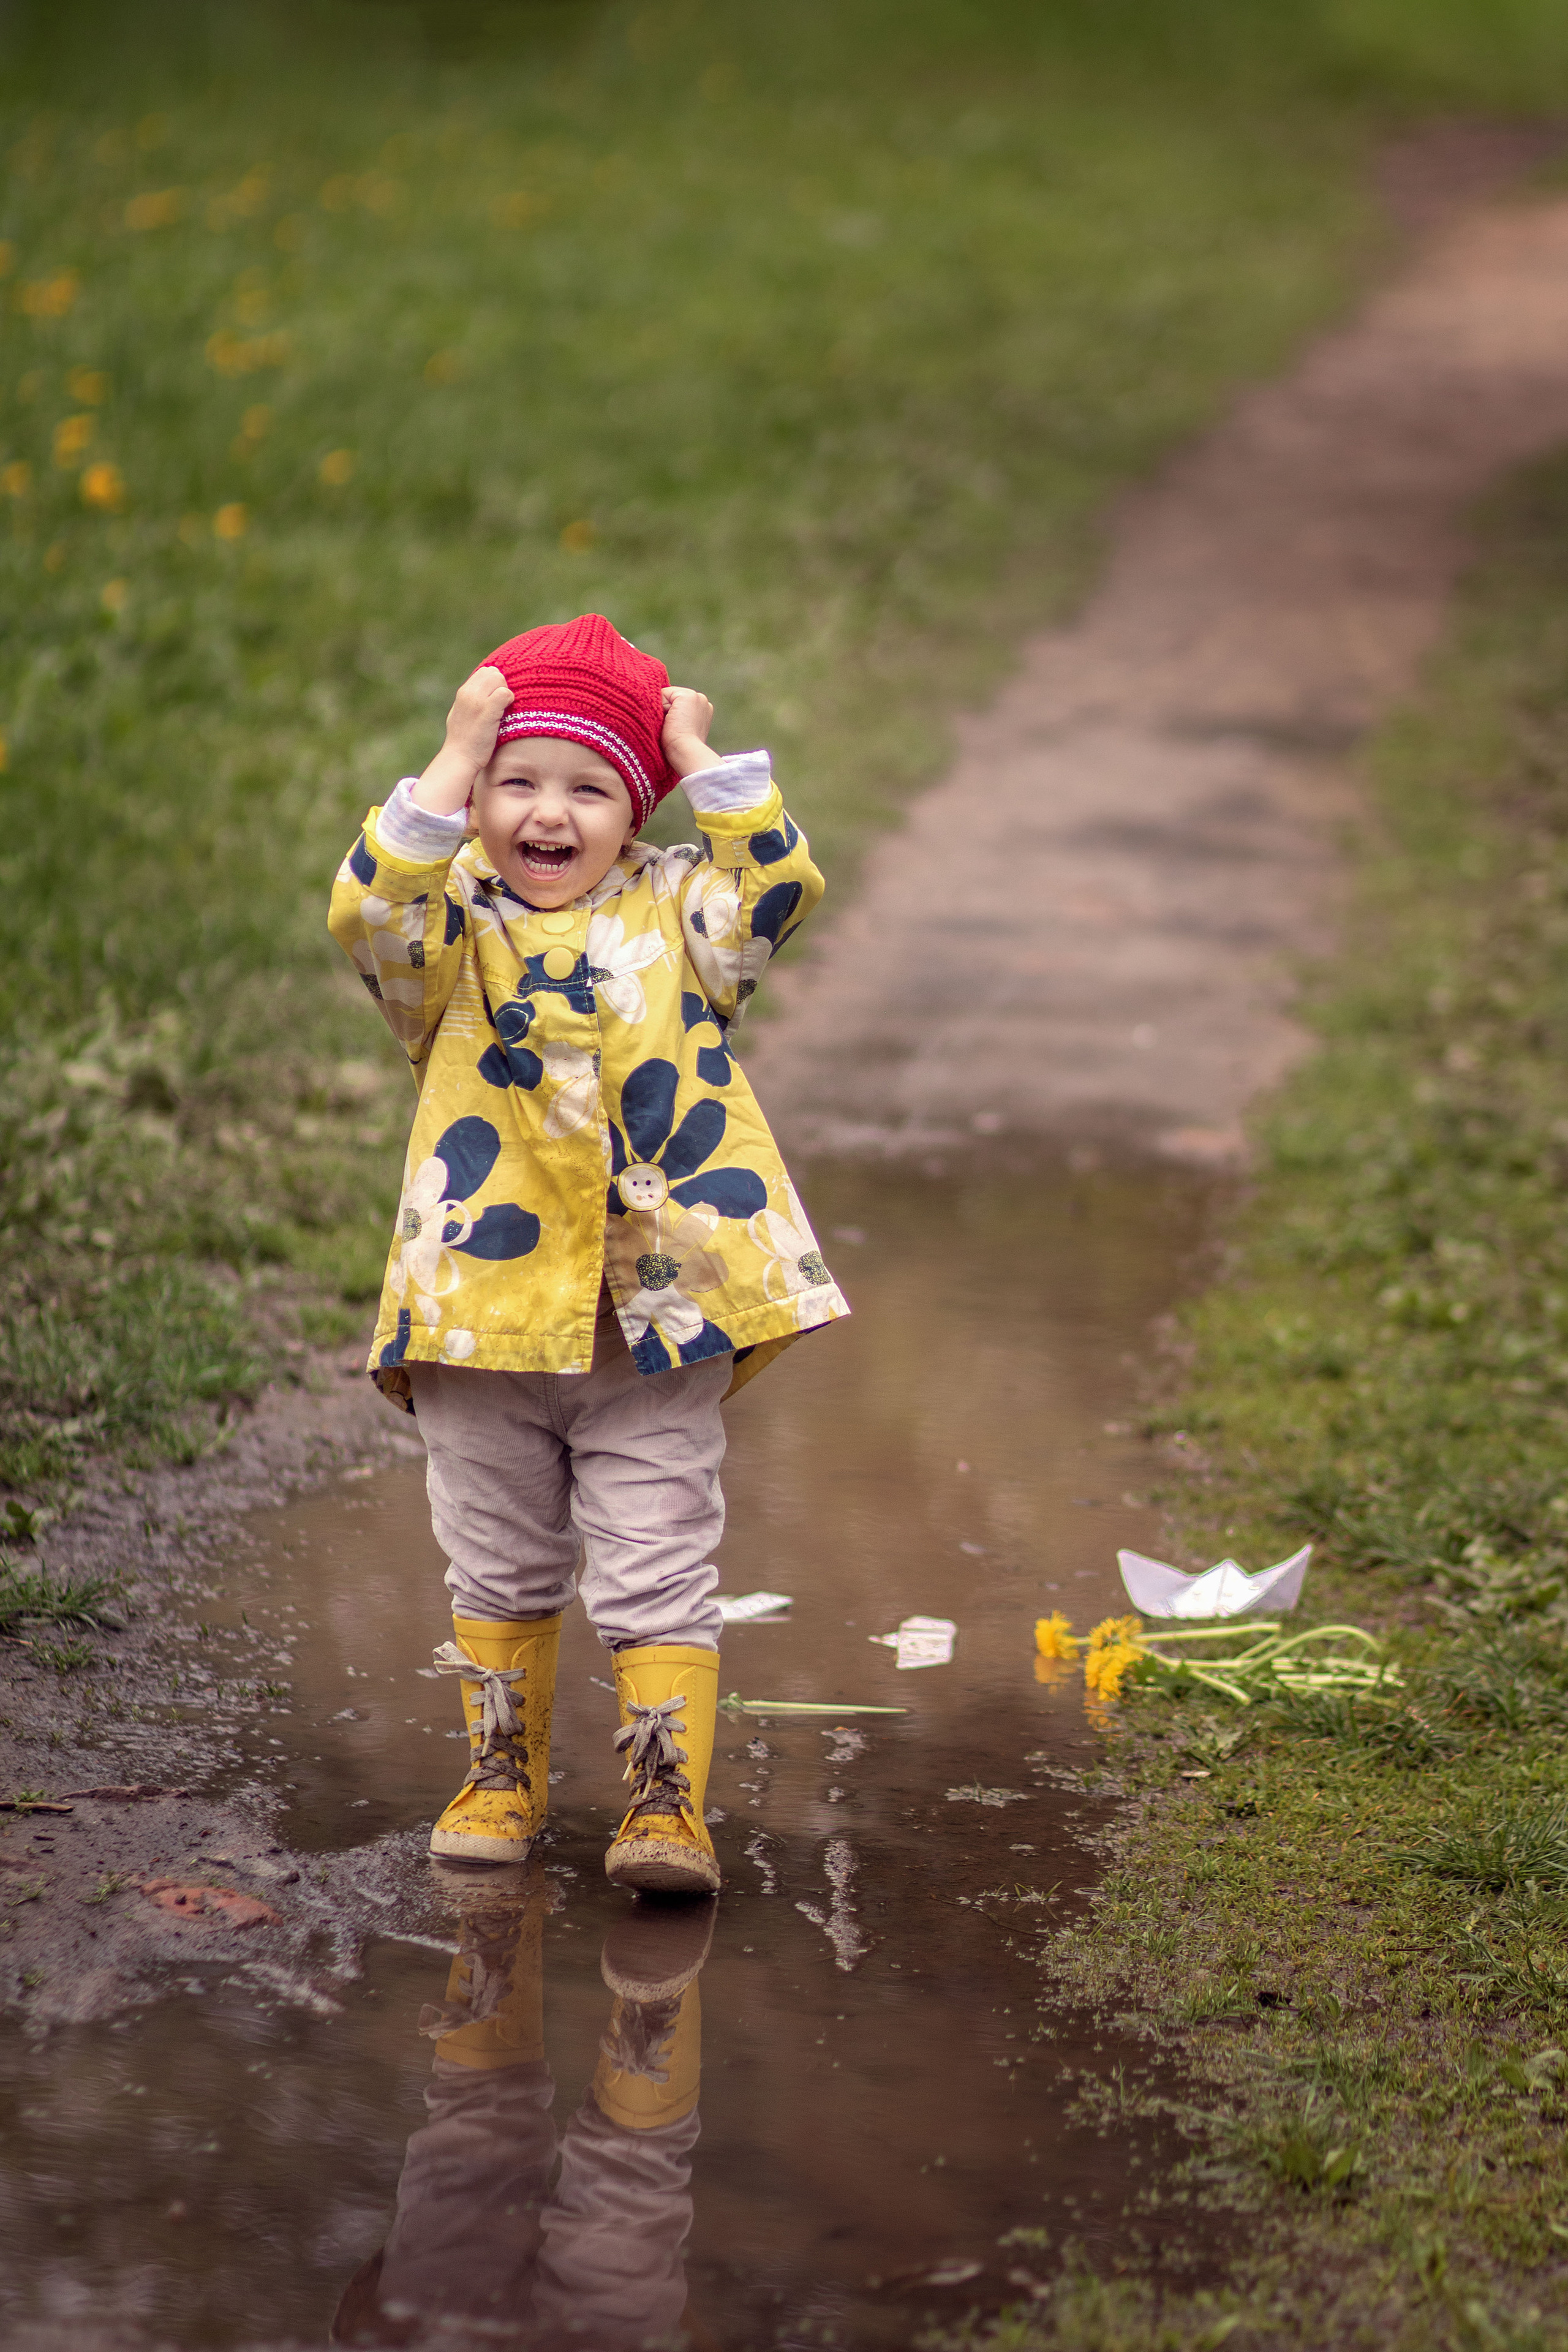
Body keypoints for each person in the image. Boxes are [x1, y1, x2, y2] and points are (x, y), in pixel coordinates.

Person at [328, 614, 846, 1895]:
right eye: (517, 781)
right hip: (483, 1316)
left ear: (635, 811)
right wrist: (449, 759)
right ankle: (499, 1774)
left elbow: (775, 892)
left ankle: (666, 1805)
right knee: (497, 1557)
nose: (545, 815)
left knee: (658, 1558)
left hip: (653, 1323)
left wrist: (703, 761)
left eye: (589, 788)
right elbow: (367, 905)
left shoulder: (680, 918)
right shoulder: (447, 934)